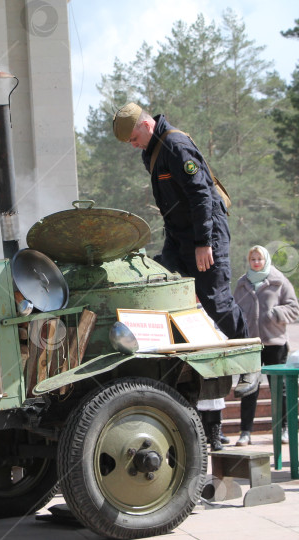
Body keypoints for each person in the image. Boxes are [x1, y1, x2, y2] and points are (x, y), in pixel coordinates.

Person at [113, 102, 247, 449]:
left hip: (206, 236)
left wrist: (204, 242)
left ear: (144, 124)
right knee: (162, 286)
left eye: (132, 138)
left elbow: (201, 194)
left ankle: (249, 361)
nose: (132, 145)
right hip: (179, 237)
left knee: (217, 301)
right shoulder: (153, 152)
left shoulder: (175, 145)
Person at [232, 245, 299, 446]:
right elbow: (234, 309)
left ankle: (284, 429)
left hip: (275, 344)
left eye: (259, 259)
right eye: (252, 259)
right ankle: (245, 432)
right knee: (248, 389)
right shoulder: (242, 283)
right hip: (251, 345)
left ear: (266, 260)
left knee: (279, 389)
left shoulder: (279, 282)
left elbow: (294, 308)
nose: (255, 263)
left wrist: (275, 314)